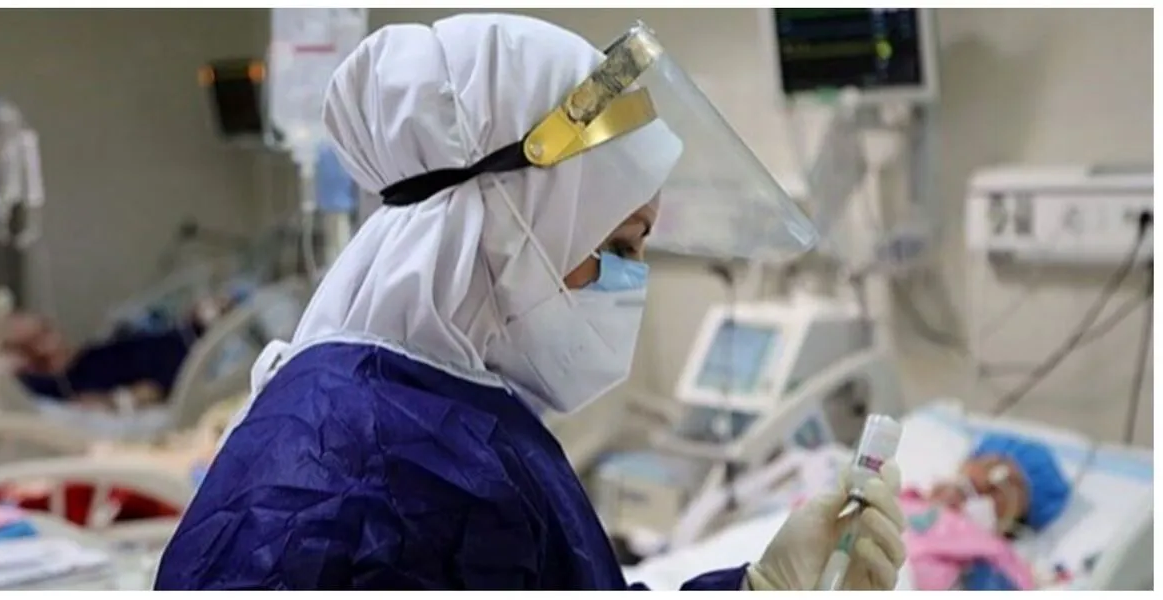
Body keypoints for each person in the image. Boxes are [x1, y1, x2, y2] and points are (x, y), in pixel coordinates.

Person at [154, 14, 906, 591]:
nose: (628, 283)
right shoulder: (404, 467)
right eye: (617, 246)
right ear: (511, 227)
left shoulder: (420, 414)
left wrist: (757, 588)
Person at [0, 290, 238, 411]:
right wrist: (119, 401)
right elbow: (151, 391)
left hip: (179, 341)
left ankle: (213, 313)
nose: (56, 337)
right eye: (41, 337)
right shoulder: (76, 383)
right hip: (184, 360)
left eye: (48, 328)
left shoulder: (89, 359)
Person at [899, 433, 1071, 590]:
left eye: (995, 489)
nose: (983, 481)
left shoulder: (997, 558)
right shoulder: (905, 498)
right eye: (985, 464)